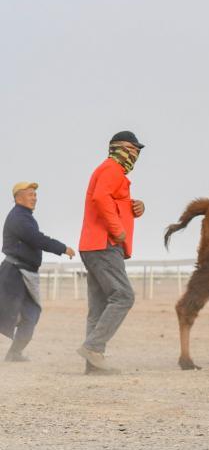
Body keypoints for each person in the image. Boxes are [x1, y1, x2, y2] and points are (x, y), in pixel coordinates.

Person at [77, 131, 147, 373]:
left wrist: (135, 206)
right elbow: (100, 198)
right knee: (123, 296)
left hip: (93, 245)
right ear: (119, 148)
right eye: (132, 148)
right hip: (104, 244)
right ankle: (93, 347)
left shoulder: (110, 171)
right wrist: (118, 230)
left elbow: (109, 200)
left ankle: (93, 365)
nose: (135, 153)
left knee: (99, 306)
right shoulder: (112, 169)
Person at [0, 183, 75, 361]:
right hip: (14, 273)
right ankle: (14, 353)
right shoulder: (19, 217)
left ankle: (14, 354)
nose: (35, 198)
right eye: (30, 194)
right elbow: (36, 239)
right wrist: (62, 248)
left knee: (30, 314)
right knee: (9, 312)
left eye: (35, 195)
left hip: (23, 273)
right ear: (19, 197)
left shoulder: (24, 216)